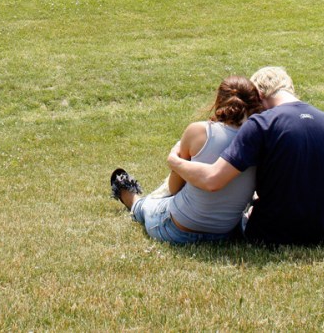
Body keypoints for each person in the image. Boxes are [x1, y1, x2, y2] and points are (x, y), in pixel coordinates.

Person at [167, 66, 324, 246]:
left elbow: (213, 179)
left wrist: (175, 161)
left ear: (260, 95)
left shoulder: (262, 124)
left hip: (273, 234)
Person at [110, 76, 262, 245]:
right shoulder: (260, 141)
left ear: (219, 101)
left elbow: (174, 188)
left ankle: (131, 199)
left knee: (149, 206)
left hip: (177, 229)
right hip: (224, 233)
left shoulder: (199, 131)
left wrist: (175, 159)